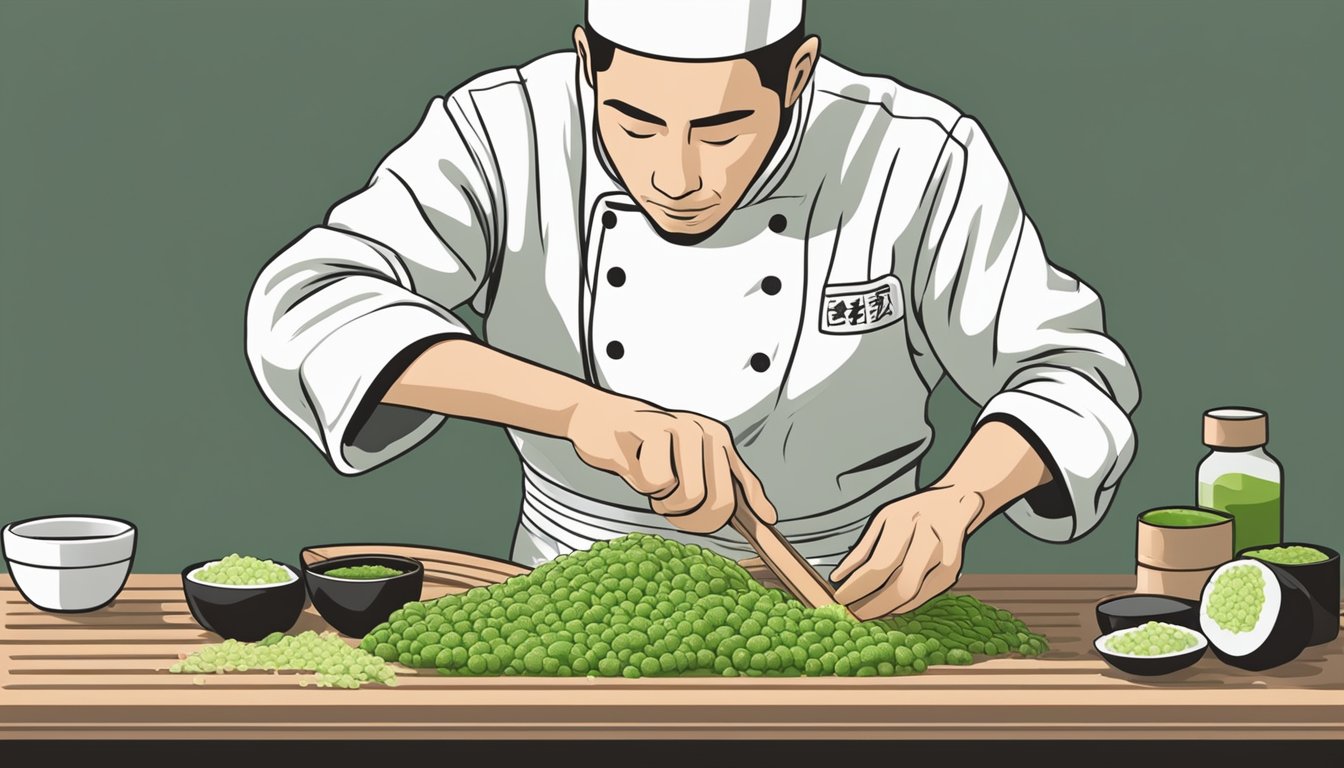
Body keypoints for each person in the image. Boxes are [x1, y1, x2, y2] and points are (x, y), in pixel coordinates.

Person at [245, 0, 1139, 619]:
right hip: (567, 598)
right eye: (634, 124)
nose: (675, 176)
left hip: (852, 596)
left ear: (797, 73)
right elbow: (314, 304)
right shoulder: (503, 130)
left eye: (720, 131)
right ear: (588, 62)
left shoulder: (915, 155)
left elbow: (1071, 373)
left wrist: (957, 500)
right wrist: (582, 410)